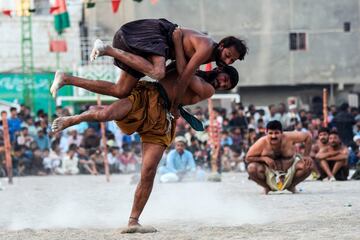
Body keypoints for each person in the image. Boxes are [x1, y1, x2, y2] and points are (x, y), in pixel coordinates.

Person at [51, 46, 239, 233]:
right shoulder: (190, 67)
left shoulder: (207, 90)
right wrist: (180, 43)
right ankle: (72, 115)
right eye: (225, 79)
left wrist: (189, 56)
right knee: (106, 113)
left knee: (148, 172)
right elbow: (179, 67)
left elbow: (185, 75)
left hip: (163, 120)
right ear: (219, 70)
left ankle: (133, 220)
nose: (222, 84)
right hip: (147, 96)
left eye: (226, 86)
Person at [50, 20, 247, 111]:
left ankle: (66, 79)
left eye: (232, 61)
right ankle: (106, 49)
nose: (227, 61)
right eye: (228, 55)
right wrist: (175, 107)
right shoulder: (206, 48)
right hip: (156, 34)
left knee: (121, 90)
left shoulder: (210, 62)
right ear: (221, 45)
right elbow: (183, 76)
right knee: (158, 72)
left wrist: (175, 106)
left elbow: (180, 72)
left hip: (155, 48)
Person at [245, 120, 313, 194]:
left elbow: (308, 137)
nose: (273, 136)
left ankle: (291, 186)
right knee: (251, 168)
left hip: (290, 170)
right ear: (266, 133)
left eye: (276, 133)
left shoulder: (290, 137)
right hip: (270, 173)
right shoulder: (261, 142)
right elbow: (248, 158)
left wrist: (306, 155)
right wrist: (264, 158)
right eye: (270, 133)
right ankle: (267, 187)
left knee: (308, 165)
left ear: (282, 132)